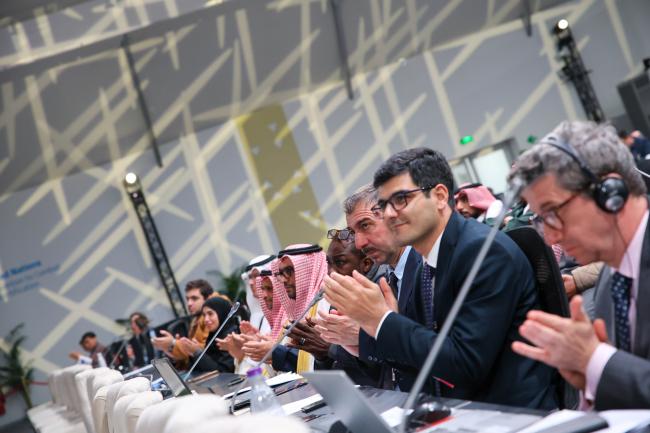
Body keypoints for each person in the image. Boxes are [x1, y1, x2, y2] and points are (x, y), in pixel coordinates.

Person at [324, 147, 557, 409]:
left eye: (401, 199)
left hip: (510, 415)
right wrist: (374, 331)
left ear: (439, 196)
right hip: (460, 411)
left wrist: (381, 321)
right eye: (385, 204)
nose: (389, 213)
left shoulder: (482, 252)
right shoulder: (427, 262)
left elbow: (464, 365)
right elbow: (427, 360)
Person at [509, 120, 650, 410]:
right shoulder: (613, 278)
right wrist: (591, 379)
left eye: (552, 213)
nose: (549, 238)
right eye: (540, 220)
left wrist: (595, 361)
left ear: (611, 192)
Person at [269, 244, 330, 373]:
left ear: (307, 269)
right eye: (281, 273)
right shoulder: (293, 313)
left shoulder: (329, 303)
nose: (284, 279)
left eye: (289, 271)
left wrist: (276, 353)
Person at [152, 279, 213, 368]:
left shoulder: (211, 318)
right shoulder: (196, 319)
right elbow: (191, 355)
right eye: (187, 299)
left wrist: (173, 343)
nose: (189, 303)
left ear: (208, 298)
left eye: (194, 298)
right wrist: (171, 348)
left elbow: (208, 349)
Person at [188, 297, 238, 373]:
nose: (206, 319)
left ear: (221, 313)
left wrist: (197, 352)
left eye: (210, 314)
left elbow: (223, 371)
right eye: (204, 315)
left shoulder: (230, 335)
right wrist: (192, 352)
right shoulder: (214, 335)